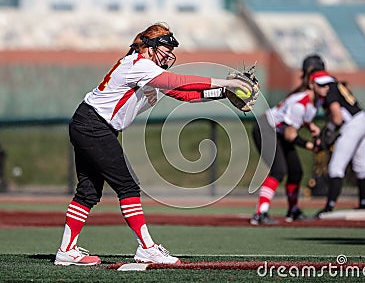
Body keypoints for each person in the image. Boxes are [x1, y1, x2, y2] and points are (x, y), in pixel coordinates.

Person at [54, 22, 252, 266]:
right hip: (94, 126)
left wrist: (223, 92)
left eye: (171, 51)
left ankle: (66, 250)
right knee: (128, 186)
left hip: (91, 124)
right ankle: (147, 247)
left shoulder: (144, 67)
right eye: (165, 50)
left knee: (89, 191)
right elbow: (180, 81)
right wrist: (227, 83)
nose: (169, 55)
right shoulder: (139, 64)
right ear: (148, 47)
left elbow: (184, 94)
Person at [250, 55, 328, 225]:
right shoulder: (300, 102)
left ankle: (292, 211)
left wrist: (310, 126)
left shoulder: (314, 101)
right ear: (312, 83)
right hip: (265, 129)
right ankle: (260, 213)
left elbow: (297, 121)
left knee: (296, 171)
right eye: (323, 84)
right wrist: (310, 145)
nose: (327, 87)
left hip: (278, 130)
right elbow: (290, 135)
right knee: (279, 170)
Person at [312, 69, 365, 218]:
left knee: (335, 168)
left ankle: (329, 207)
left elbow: (337, 118)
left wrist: (328, 130)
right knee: (362, 168)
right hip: (362, 120)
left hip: (352, 125)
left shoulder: (329, 88)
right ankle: (363, 204)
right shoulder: (335, 84)